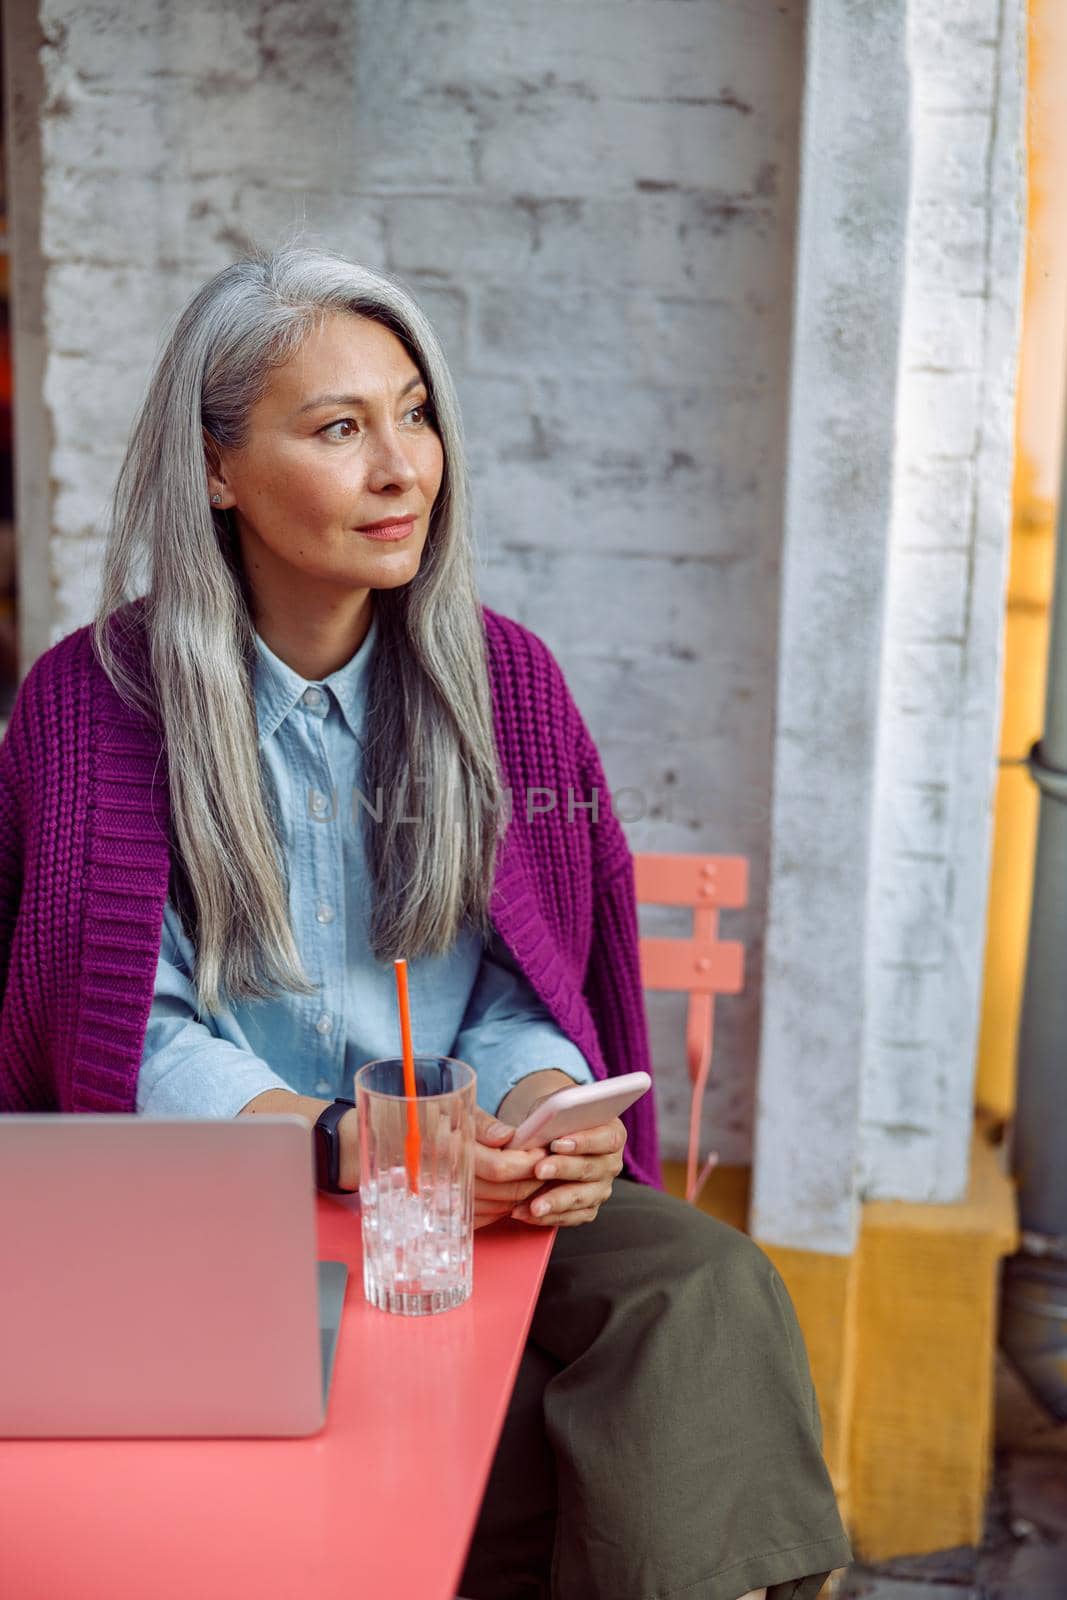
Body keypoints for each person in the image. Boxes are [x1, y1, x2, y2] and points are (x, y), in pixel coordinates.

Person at [0, 243, 851, 1599]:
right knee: (507, 1433)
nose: (403, 466)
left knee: (704, 1290)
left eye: (414, 412)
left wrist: (550, 1118)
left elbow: (528, 978)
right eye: (340, 428)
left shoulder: (504, 683)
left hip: (466, 1186)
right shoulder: (92, 703)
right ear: (216, 468)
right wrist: (349, 1146)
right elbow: (120, 1033)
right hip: (220, 1203)